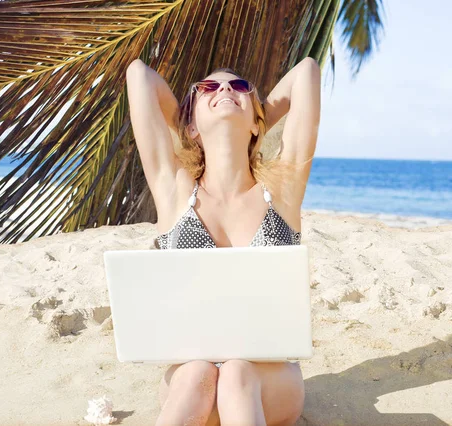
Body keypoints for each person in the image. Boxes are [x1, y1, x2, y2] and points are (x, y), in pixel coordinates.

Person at [125, 56, 321, 426]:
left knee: (236, 371)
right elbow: (139, 75)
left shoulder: (281, 189)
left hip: (267, 382)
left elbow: (306, 72)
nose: (226, 89)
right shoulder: (173, 189)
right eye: (209, 88)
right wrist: (193, 120)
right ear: (191, 126)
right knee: (200, 370)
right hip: (191, 382)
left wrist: (251, 117)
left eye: (239, 86)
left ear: (257, 123)